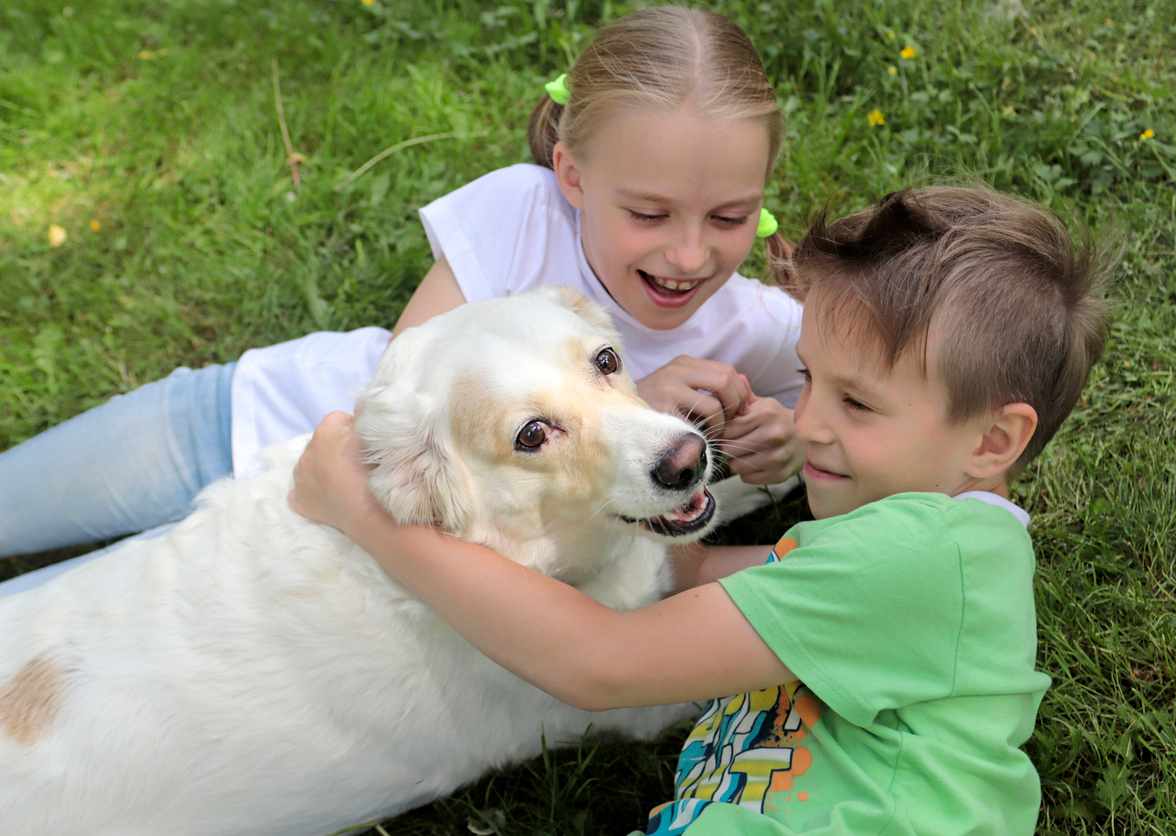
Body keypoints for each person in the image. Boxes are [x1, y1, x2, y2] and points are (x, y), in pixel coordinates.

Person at [288, 185, 1111, 834]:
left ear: (994, 439)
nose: (809, 420)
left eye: (857, 405)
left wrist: (370, 518)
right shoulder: (918, 545)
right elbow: (705, 573)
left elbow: (598, 665)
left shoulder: (919, 559)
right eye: (810, 380)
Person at [0, 6, 804, 589]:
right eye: (649, 213)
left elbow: (857, 408)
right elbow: (400, 387)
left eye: (730, 217)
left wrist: (787, 437)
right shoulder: (520, 211)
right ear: (572, 175)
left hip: (308, 559)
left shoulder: (757, 326)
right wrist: (635, 401)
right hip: (240, 423)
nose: (691, 252)